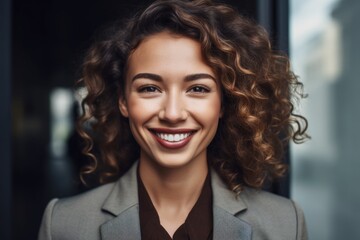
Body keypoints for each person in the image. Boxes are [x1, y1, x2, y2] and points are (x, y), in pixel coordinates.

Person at [38, 0, 309, 239]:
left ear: (224, 103)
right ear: (123, 101)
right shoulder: (63, 224)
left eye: (198, 89)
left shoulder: (285, 225)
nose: (172, 113)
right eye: (149, 88)